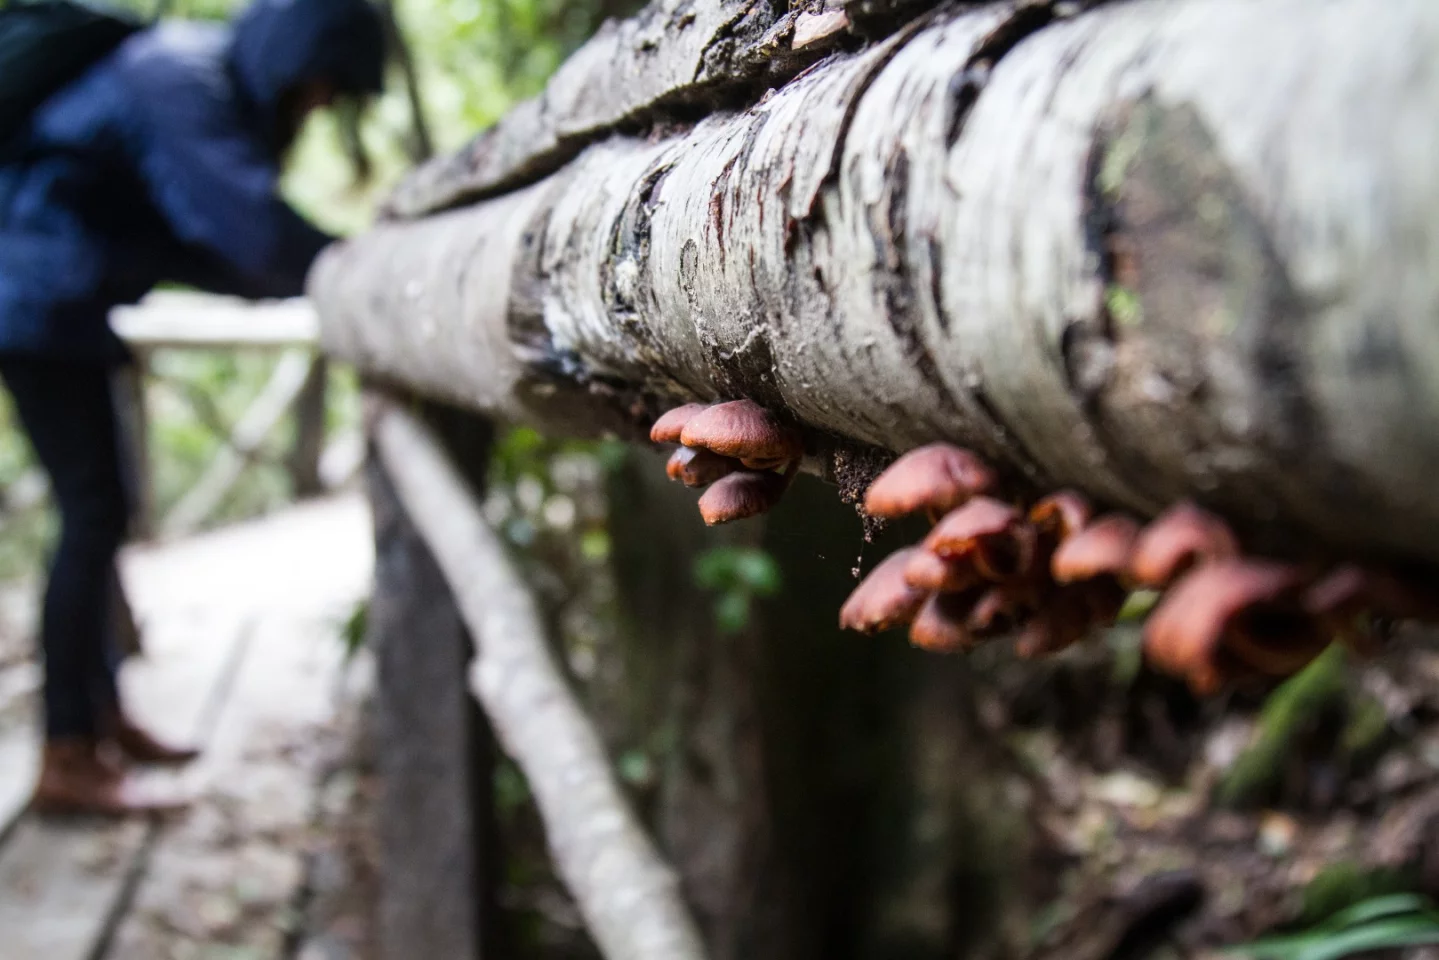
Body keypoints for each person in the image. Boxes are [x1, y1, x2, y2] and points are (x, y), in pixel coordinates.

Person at [0, 0, 385, 816]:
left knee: (102, 512)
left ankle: (98, 715)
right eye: (319, 86)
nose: (316, 105)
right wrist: (358, 264)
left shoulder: (183, 79)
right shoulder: (174, 75)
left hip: (58, 306)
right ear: (295, 53)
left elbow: (217, 250)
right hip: (32, 304)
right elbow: (248, 235)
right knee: (89, 515)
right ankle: (67, 751)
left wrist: (317, 263)